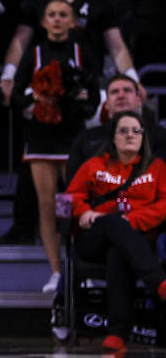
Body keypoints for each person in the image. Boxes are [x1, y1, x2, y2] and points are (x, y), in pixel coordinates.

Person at [11, 0, 100, 292]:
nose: (58, 19)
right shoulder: (33, 54)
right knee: (47, 206)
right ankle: (56, 272)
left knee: (75, 204)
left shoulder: (82, 52)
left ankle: (78, 266)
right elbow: (15, 99)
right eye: (52, 14)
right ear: (44, 22)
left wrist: (79, 99)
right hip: (40, 139)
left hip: (73, 139)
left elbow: (95, 94)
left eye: (63, 14)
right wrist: (37, 98)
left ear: (73, 21)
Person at [66, 110, 166, 351]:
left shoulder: (157, 167)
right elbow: (69, 198)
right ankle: (161, 284)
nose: (130, 135)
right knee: (112, 223)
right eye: (123, 130)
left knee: (119, 252)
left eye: (136, 130)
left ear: (144, 137)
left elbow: (164, 205)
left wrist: (131, 220)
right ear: (113, 137)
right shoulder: (94, 165)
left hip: (135, 240)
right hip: (94, 238)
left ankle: (117, 335)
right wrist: (83, 211)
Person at [0, 0, 140, 105]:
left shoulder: (101, 3)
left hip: (87, 90)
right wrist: (7, 76)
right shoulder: (38, 2)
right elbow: (20, 40)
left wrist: (133, 81)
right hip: (43, 90)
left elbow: (117, 47)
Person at [67, 74, 166, 182]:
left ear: (139, 101)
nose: (121, 96)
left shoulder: (158, 135)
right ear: (107, 104)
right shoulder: (86, 138)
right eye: (115, 92)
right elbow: (74, 187)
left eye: (127, 90)